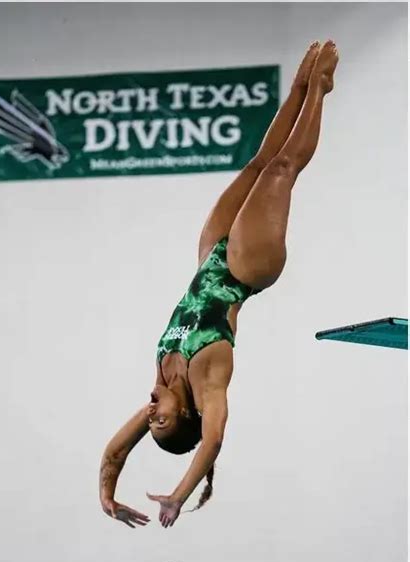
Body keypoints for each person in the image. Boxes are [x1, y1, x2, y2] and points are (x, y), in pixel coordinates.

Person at [99, 40, 339, 529]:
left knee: (255, 165)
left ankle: (295, 88)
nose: (149, 413)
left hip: (210, 257)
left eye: (151, 421)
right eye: (160, 419)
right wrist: (178, 496)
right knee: (280, 170)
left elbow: (113, 452)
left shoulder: (162, 380)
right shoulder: (210, 386)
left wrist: (107, 494)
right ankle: (319, 89)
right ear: (185, 413)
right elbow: (213, 440)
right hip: (246, 270)